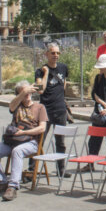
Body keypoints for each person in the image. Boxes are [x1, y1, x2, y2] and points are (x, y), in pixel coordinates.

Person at [0, 81, 48, 202]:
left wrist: (24, 133)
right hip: (13, 141)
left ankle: (13, 186)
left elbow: (42, 128)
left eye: (28, 91)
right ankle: (2, 181)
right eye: (24, 91)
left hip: (31, 142)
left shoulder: (40, 107)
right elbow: (11, 107)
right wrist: (23, 92)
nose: (27, 94)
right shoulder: (17, 105)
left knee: (17, 151)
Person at [33, 42, 70, 178]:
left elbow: (64, 83)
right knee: (40, 140)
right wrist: (46, 73)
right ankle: (33, 168)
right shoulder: (40, 70)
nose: (55, 55)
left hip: (60, 109)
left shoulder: (63, 68)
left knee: (60, 141)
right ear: (46, 54)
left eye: (57, 53)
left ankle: (61, 169)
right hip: (45, 110)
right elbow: (40, 90)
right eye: (53, 53)